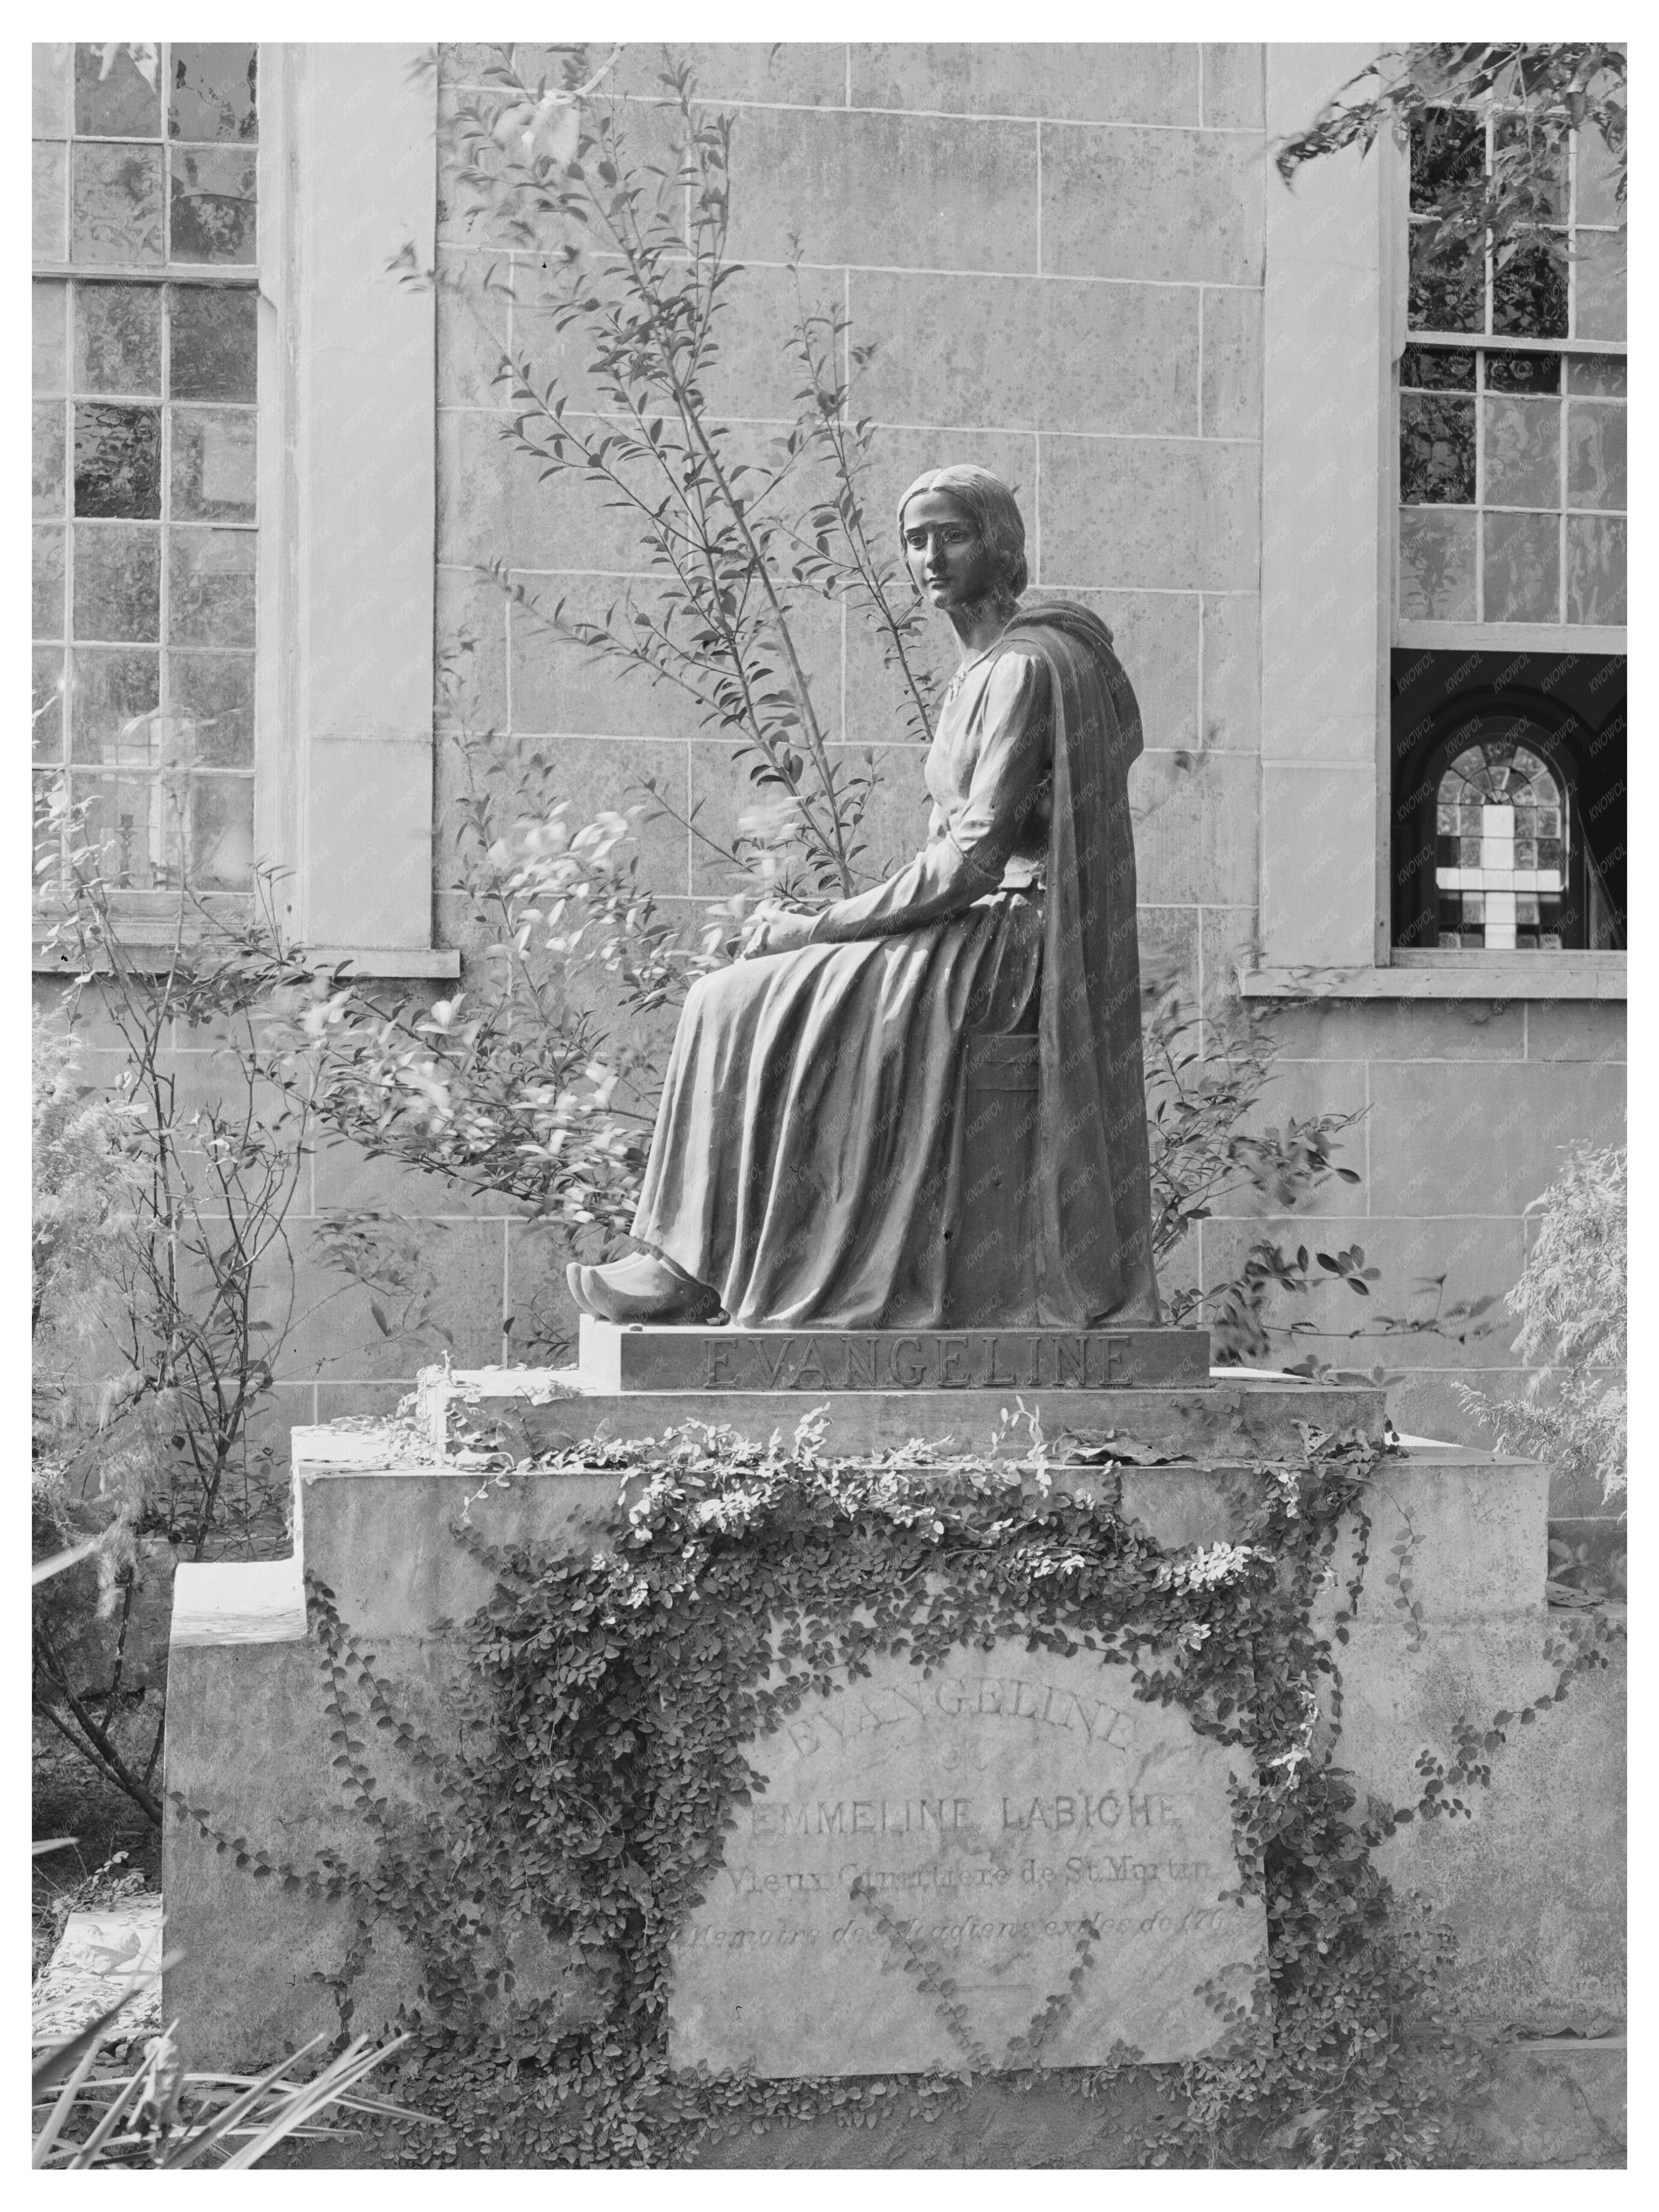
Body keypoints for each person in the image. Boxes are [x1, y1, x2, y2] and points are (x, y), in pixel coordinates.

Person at [567, 464, 1160, 1330]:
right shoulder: (984, 668)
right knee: (723, 999)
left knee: (735, 998)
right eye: (914, 539)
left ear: (998, 542)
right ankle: (687, 1263)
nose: (928, 555)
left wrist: (817, 924)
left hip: (1015, 946)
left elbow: (971, 861)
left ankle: (694, 1270)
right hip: (978, 925)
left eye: (950, 533)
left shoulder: (1026, 669)